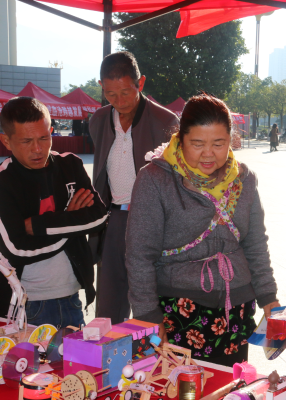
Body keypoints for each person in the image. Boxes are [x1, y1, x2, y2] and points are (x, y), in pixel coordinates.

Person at [125, 93, 279, 367]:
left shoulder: (244, 179)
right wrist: (147, 314)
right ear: (180, 139)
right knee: (178, 387)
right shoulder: (155, 180)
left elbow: (256, 243)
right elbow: (139, 254)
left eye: (219, 143)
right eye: (197, 144)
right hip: (178, 310)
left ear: (231, 139)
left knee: (228, 388)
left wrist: (269, 297)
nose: (208, 154)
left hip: (236, 307)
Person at [0, 97, 108, 328]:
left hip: (72, 296)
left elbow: (99, 217)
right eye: (26, 141)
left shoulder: (70, 165)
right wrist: (70, 221)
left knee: (76, 365)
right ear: (6, 141)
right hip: (28, 303)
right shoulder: (1, 182)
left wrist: (39, 225)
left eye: (44, 137)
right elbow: (16, 249)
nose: (38, 149)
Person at [89, 51, 179, 324]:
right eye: (110, 94)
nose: (119, 101)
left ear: (140, 83)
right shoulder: (99, 120)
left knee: (150, 301)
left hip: (153, 223)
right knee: (110, 303)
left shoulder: (166, 123)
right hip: (114, 219)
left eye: (126, 92)